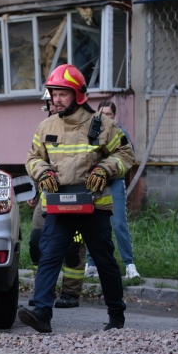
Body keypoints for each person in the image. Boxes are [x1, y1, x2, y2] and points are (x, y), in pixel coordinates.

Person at [18, 64, 135, 333]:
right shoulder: (46, 125)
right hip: (59, 205)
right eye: (53, 94)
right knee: (49, 256)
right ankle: (42, 314)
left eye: (62, 94)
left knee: (104, 260)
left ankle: (116, 315)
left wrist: (106, 169)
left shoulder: (102, 125)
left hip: (93, 204)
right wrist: (42, 171)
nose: (56, 99)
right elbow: (33, 157)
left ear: (78, 95)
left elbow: (126, 154)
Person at [27, 90, 86, 309]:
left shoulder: (80, 127)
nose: (55, 104)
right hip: (47, 198)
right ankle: (44, 289)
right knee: (36, 243)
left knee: (74, 246)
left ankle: (71, 293)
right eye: (51, 100)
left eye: (60, 98)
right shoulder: (45, 128)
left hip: (75, 196)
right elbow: (36, 160)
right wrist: (34, 192)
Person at [85, 100, 140, 279]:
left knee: (118, 224)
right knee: (91, 224)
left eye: (109, 114)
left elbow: (129, 157)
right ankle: (91, 265)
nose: (106, 118)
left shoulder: (120, 133)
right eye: (103, 114)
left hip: (114, 183)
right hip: (94, 185)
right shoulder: (92, 132)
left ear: (114, 116)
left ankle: (129, 265)